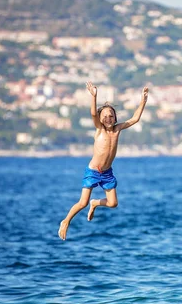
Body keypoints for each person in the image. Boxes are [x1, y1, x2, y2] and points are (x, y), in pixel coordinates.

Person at [58, 82, 149, 240]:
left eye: (111, 116)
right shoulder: (99, 129)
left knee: (113, 203)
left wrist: (143, 101)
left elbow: (135, 119)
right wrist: (94, 96)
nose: (108, 118)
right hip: (93, 171)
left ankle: (96, 203)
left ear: (115, 117)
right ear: (100, 119)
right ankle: (66, 221)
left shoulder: (117, 129)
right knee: (82, 203)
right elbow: (93, 113)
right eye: (105, 116)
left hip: (107, 173)